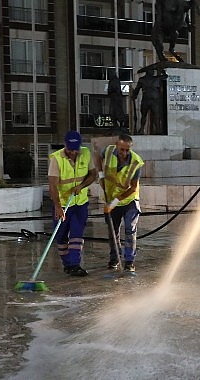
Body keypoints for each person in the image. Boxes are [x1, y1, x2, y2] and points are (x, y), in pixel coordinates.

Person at [47, 130, 98, 277]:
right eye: (70, 149)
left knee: (77, 233)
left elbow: (93, 174)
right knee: (61, 236)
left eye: (76, 149)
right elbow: (52, 186)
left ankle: (75, 264)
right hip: (62, 204)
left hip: (80, 203)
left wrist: (81, 187)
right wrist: (57, 206)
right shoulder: (56, 159)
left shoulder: (86, 153)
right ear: (65, 146)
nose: (73, 152)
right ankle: (67, 265)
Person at [95, 133, 144, 272]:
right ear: (117, 146)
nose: (124, 153)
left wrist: (116, 201)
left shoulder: (136, 162)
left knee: (130, 230)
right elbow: (97, 156)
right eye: (122, 149)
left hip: (129, 200)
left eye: (127, 150)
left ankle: (129, 261)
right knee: (112, 230)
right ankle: (114, 258)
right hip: (110, 197)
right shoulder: (109, 151)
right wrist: (101, 175)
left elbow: (133, 188)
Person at [132, 69, 166, 135]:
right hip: (154, 100)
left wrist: (134, 96)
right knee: (156, 116)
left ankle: (142, 129)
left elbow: (137, 89)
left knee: (144, 116)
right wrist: (163, 71)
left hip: (146, 100)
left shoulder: (142, 79)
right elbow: (165, 76)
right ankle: (158, 130)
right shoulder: (157, 78)